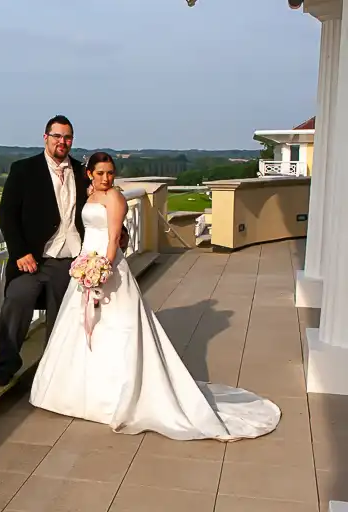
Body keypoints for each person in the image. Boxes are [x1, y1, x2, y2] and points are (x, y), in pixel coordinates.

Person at [29, 152, 281, 441]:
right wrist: (86, 267)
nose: (106, 178)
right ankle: (74, 394)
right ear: (89, 174)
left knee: (120, 329)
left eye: (110, 173)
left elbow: (113, 239)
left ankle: (120, 398)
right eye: (100, 173)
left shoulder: (115, 198)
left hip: (106, 268)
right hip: (86, 261)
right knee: (83, 328)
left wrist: (101, 271)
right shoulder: (89, 194)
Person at [0, 116, 129, 387]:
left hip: (69, 260)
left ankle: (53, 370)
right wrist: (20, 252)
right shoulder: (23, 170)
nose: (62, 142)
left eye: (67, 137)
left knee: (64, 314)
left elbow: (103, 203)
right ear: (46, 138)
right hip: (32, 258)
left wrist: (119, 233)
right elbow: (7, 215)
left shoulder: (82, 172)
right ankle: (7, 363)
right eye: (57, 136)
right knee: (17, 299)